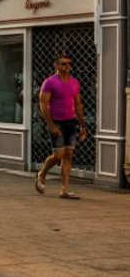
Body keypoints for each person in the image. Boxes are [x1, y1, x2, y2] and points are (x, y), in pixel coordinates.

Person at [36, 52, 88, 199]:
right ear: (57, 66)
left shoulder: (74, 82)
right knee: (58, 155)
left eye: (69, 63)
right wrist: (51, 125)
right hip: (56, 122)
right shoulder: (50, 82)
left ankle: (64, 190)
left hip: (71, 122)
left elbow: (78, 104)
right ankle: (42, 173)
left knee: (69, 155)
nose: (67, 66)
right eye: (64, 63)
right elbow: (43, 105)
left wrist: (83, 125)